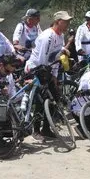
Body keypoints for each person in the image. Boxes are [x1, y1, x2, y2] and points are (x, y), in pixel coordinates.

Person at [25, 11, 72, 140]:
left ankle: (46, 128)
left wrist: (54, 76)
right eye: (65, 21)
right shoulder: (48, 36)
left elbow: (57, 58)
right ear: (58, 22)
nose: (68, 23)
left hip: (49, 69)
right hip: (37, 68)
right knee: (41, 99)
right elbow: (42, 58)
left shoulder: (61, 36)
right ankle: (35, 130)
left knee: (54, 99)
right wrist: (45, 77)